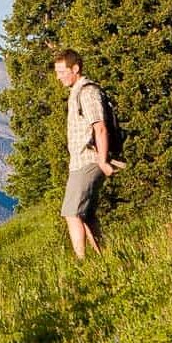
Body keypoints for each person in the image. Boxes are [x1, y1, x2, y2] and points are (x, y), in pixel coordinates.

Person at [53, 49, 116, 259]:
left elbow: (100, 128)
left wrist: (103, 160)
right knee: (85, 215)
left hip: (87, 160)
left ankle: (81, 261)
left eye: (62, 71)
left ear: (75, 69)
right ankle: (103, 258)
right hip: (82, 161)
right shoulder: (76, 92)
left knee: (71, 213)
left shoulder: (87, 92)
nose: (59, 76)